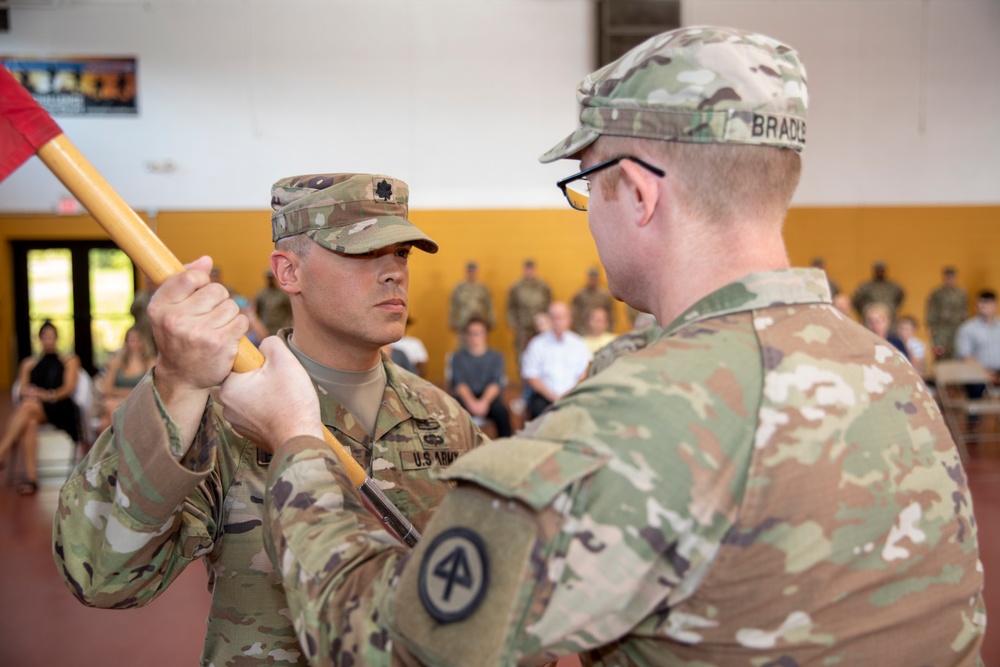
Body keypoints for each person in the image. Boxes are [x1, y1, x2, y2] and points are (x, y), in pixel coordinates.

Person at [217, 27, 984, 666]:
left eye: (588, 187)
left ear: (641, 193)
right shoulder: (884, 370)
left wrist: (295, 440)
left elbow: (389, 641)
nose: (586, 214)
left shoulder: (648, 411)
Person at [52, 173, 485, 666]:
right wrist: (176, 384)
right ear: (288, 273)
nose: (394, 273)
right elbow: (101, 574)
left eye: (402, 254)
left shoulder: (444, 417)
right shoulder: (221, 417)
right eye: (364, 252)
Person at [0, 320, 81, 495]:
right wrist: (30, 391)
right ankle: (32, 478)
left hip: (61, 408)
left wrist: (45, 395)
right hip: (38, 409)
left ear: (57, 338)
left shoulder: (69, 360)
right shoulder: (29, 363)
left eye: (51, 336)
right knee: (29, 421)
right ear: (40, 339)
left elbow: (67, 389)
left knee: (28, 407)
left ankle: (2, 451)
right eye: (45, 337)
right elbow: (21, 388)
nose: (48, 340)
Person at [520, 301, 591, 419]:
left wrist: (568, 394)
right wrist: (552, 396)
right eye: (554, 317)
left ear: (569, 319)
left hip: (573, 395)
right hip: (544, 396)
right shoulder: (537, 344)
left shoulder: (579, 343)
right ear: (548, 319)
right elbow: (531, 375)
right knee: (537, 410)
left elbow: (585, 373)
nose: (558, 321)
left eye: (562, 317)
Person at [448, 317, 513, 437]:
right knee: (453, 414)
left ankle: (506, 450)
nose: (475, 337)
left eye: (478, 333)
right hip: (466, 398)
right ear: (466, 335)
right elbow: (459, 384)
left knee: (502, 413)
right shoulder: (457, 358)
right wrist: (472, 403)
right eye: (471, 333)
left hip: (488, 398)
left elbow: (495, 383)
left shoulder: (497, 357)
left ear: (486, 334)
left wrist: (484, 402)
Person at [96, 325, 156, 433]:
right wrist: (130, 393)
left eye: (137, 339)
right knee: (110, 409)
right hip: (117, 402)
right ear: (126, 342)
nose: (134, 343)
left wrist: (122, 394)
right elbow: (106, 389)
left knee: (107, 417)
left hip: (140, 401)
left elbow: (150, 389)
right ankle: (118, 443)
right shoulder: (116, 362)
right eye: (130, 340)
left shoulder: (150, 362)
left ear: (144, 341)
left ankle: (116, 443)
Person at [506, 258, 552, 370]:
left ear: (535, 270)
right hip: (523, 326)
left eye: (532, 269)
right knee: (522, 353)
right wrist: (512, 322)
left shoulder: (543, 286)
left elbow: (549, 304)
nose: (529, 271)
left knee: (543, 351)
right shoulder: (517, 286)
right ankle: (525, 379)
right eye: (527, 269)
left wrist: (548, 323)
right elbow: (511, 306)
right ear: (524, 270)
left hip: (540, 327)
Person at [956, 289, 1000, 391]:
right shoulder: (967, 328)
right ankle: (975, 406)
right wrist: (983, 373)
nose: (982, 307)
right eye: (980, 304)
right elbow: (965, 356)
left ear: (995, 305)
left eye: (986, 304)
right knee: (975, 384)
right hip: (977, 373)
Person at [927, 266, 969, 360]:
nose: (950, 280)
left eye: (952, 277)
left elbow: (964, 310)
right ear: (944, 278)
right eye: (948, 277)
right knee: (939, 352)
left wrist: (965, 326)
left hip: (957, 327)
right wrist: (930, 327)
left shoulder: (961, 293)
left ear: (955, 278)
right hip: (941, 328)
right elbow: (931, 310)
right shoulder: (937, 293)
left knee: (956, 352)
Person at [448, 261, 495, 335]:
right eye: (469, 272)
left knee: (478, 344)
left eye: (474, 272)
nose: (471, 274)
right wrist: (452, 322)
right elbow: (453, 306)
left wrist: (491, 321)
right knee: (463, 346)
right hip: (463, 324)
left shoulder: (483, 288)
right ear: (466, 272)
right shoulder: (459, 288)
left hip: (479, 324)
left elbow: (489, 306)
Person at [571, 267, 616, 334]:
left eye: (594, 278)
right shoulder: (580, 295)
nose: (593, 281)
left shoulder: (604, 295)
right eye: (591, 278)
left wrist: (608, 330)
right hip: (583, 332)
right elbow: (575, 314)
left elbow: (610, 314)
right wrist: (579, 331)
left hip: (602, 332)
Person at [255, 267, 293, 335]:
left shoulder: (282, 294)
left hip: (279, 326)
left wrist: (287, 324)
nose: (270, 280)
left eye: (272, 278)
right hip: (266, 327)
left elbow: (289, 311)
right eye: (269, 278)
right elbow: (258, 310)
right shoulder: (261, 294)